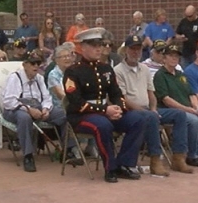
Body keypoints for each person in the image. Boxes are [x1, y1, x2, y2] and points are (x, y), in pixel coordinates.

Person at [64, 27, 157, 183]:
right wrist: (105, 110)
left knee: (139, 119)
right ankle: (110, 167)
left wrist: (120, 108)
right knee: (103, 125)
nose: (99, 48)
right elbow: (76, 102)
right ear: (83, 47)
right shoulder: (73, 72)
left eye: (101, 44)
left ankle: (125, 163)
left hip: (106, 112)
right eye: (94, 45)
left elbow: (116, 93)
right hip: (81, 115)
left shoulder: (106, 68)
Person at [113, 35, 185, 175]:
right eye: (132, 49)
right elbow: (123, 98)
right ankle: (155, 160)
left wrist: (153, 108)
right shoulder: (118, 70)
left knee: (180, 114)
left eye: (138, 49)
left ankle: (178, 157)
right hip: (130, 111)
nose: (136, 52)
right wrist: (147, 112)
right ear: (125, 50)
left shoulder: (145, 69)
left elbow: (151, 93)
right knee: (151, 117)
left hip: (149, 109)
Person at [1, 51, 79, 172]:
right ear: (25, 64)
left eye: (38, 63)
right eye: (33, 63)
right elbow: (9, 101)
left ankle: (68, 150)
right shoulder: (14, 78)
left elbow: (47, 97)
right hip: (16, 109)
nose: (36, 66)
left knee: (64, 115)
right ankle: (28, 156)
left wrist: (45, 109)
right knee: (24, 118)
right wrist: (28, 109)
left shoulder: (40, 78)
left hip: (38, 108)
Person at [153, 44, 198, 168]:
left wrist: (196, 107)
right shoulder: (160, 75)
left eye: (176, 56)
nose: (174, 58)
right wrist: (188, 110)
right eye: (171, 56)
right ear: (164, 58)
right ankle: (191, 155)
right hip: (172, 110)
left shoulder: (181, 75)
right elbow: (166, 100)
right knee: (194, 121)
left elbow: (191, 94)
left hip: (189, 108)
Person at [47, 42, 76, 108]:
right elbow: (61, 95)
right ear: (57, 60)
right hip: (60, 107)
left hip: (75, 105)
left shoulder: (74, 72)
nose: (67, 58)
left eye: (68, 56)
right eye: (64, 57)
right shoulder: (53, 75)